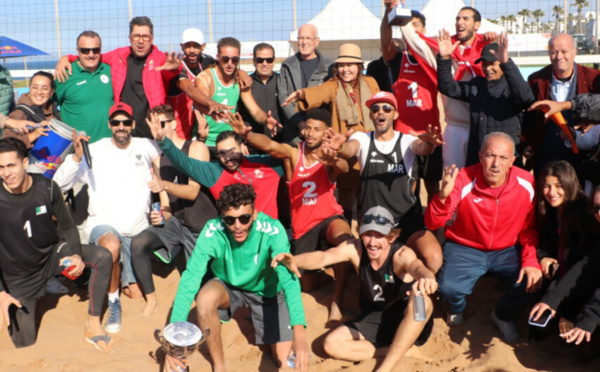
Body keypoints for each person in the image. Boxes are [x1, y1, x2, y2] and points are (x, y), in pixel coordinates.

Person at [224, 107, 353, 324]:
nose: (311, 133)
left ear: (326, 132)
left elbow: (344, 167)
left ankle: (337, 301)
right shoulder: (294, 153)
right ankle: (325, 276)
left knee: (345, 240)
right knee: (303, 283)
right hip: (303, 229)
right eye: (308, 128)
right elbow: (270, 145)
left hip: (328, 217)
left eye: (317, 129)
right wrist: (246, 134)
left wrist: (334, 162)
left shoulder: (329, 154)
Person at [272, 206, 437, 372]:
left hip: (406, 318)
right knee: (330, 345)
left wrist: (427, 278)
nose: (372, 242)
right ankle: (396, 352)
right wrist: (294, 260)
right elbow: (324, 257)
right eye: (367, 234)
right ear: (360, 233)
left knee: (422, 301)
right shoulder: (356, 249)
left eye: (379, 235)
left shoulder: (401, 254)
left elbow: (417, 267)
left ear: (391, 237)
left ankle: (384, 368)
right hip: (376, 317)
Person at [164, 184, 309, 372]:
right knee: (204, 299)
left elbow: (289, 281)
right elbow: (190, 279)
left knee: (283, 362)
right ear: (222, 217)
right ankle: (219, 366)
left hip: (268, 292)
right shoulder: (212, 231)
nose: (237, 226)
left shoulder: (272, 230)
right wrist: (174, 343)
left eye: (244, 218)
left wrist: (300, 334)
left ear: (254, 214)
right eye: (230, 220)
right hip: (229, 285)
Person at [53, 102, 160, 333]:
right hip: (103, 224)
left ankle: (114, 272)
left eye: (125, 122)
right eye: (115, 122)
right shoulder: (95, 151)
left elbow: (166, 166)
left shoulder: (147, 146)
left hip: (135, 231)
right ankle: (113, 304)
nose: (121, 126)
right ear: (109, 125)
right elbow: (59, 184)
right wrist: (76, 158)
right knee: (111, 245)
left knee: (135, 293)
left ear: (133, 124)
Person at [425, 132, 542, 342]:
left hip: (507, 249)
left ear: (512, 161)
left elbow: (529, 229)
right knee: (449, 288)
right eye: (490, 155)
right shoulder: (463, 178)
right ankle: (456, 309)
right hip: (465, 247)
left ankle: (502, 315)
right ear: (480, 156)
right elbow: (433, 223)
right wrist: (442, 197)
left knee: (532, 281)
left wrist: (531, 260)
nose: (496, 164)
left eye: (503, 158)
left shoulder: (526, 182)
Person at [0, 137, 113, 352]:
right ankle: (32, 294)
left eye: (11, 165)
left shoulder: (47, 188)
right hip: (19, 275)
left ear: (25, 163)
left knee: (102, 257)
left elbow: (69, 227)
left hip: (52, 255)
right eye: (1, 167)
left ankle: (93, 321)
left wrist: (77, 255)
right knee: (23, 342)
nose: (6, 173)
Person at [324, 91, 444, 274]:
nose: (381, 112)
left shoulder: (406, 140)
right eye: (375, 108)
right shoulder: (362, 138)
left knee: (434, 257)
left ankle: (420, 293)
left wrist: (430, 144)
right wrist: (340, 147)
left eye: (387, 108)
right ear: (371, 115)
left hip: (406, 220)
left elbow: (422, 148)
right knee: (375, 273)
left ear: (395, 114)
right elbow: (349, 150)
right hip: (375, 224)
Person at [130, 104, 217, 316]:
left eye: (162, 124)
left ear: (174, 123)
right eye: (154, 126)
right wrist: (160, 216)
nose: (158, 130)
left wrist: (165, 185)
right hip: (178, 224)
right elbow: (166, 203)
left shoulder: (196, 148)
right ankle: (151, 299)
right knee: (138, 243)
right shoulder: (159, 160)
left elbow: (193, 191)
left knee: (202, 287)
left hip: (201, 227)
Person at [283, 43, 380, 223]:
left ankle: (367, 235)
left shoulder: (371, 83)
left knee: (368, 195)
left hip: (370, 146)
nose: (345, 70)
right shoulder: (333, 85)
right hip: (344, 147)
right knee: (346, 194)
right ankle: (347, 232)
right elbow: (319, 92)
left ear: (359, 67)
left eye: (349, 65)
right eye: (341, 65)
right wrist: (301, 94)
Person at [55, 16, 183, 138]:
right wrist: (66, 58)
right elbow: (94, 57)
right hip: (123, 130)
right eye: (136, 36)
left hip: (152, 131)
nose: (140, 40)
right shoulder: (119, 56)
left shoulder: (160, 59)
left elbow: (171, 73)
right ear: (130, 38)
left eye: (145, 36)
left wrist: (175, 68)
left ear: (152, 39)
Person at [402, 5, 493, 169]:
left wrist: (492, 42)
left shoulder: (487, 49)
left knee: (483, 177)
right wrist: (399, 12)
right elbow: (415, 42)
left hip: (483, 126)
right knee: (452, 177)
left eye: (465, 18)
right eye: (458, 19)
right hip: (456, 127)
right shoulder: (444, 50)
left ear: (477, 25)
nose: (460, 22)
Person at [151, 119, 283, 219]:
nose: (228, 158)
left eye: (232, 151)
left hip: (268, 234)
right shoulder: (214, 171)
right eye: (222, 153)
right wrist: (163, 140)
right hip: (234, 236)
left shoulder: (264, 164)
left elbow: (286, 153)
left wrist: (250, 135)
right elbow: (185, 163)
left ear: (243, 148)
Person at [437, 33, 535, 167]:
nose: (488, 68)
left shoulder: (513, 87)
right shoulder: (477, 86)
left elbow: (526, 98)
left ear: (502, 63)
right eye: (485, 64)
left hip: (505, 160)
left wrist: (507, 63)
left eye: (493, 64)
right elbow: (448, 88)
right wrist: (444, 58)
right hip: (479, 159)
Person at [528, 162, 600, 343]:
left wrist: (569, 311)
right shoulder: (547, 211)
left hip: (578, 288)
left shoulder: (584, 214)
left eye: (559, 186)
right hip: (559, 279)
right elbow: (539, 242)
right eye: (547, 186)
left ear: (570, 183)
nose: (552, 192)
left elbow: (585, 270)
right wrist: (543, 258)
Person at [380, 3, 443, 202]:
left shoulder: (433, 57)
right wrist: (389, 11)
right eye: (408, 24)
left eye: (415, 25)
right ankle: (411, 227)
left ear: (424, 30)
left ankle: (435, 228)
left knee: (433, 185)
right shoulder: (399, 57)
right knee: (409, 185)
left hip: (430, 132)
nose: (412, 29)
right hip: (404, 135)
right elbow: (385, 42)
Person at [523, 33, 600, 175]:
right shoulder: (536, 80)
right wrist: (527, 143)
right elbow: (529, 117)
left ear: (575, 52)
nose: (559, 57)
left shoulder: (594, 78)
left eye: (564, 52)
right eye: (554, 52)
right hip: (547, 155)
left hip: (582, 158)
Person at [194, 37, 278, 150]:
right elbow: (201, 103)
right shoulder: (206, 78)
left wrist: (265, 120)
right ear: (218, 57)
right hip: (207, 141)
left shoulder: (239, 79)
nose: (230, 64)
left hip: (231, 143)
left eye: (234, 60)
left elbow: (255, 110)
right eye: (225, 59)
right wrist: (213, 106)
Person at [54, 30, 113, 143]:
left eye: (95, 50)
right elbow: (46, 104)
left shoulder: (110, 71)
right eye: (85, 50)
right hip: (79, 149)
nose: (91, 55)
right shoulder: (65, 74)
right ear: (78, 51)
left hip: (110, 147)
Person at [278, 24, 333, 143]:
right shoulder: (287, 65)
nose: (304, 42)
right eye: (301, 38)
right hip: (294, 132)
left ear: (316, 41)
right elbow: (284, 98)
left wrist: (315, 127)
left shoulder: (330, 66)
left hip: (321, 134)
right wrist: (300, 123)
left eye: (308, 38)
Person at [238, 42, 284, 143]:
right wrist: (241, 142)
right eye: (260, 60)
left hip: (280, 142)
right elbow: (239, 115)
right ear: (253, 61)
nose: (264, 63)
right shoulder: (245, 83)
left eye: (269, 60)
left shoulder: (282, 81)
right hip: (252, 143)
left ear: (274, 61)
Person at [2, 71, 57, 148]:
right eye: (35, 87)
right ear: (30, 88)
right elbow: (6, 145)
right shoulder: (20, 112)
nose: (39, 92)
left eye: (45, 88)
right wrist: (33, 135)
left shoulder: (55, 112)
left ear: (51, 91)